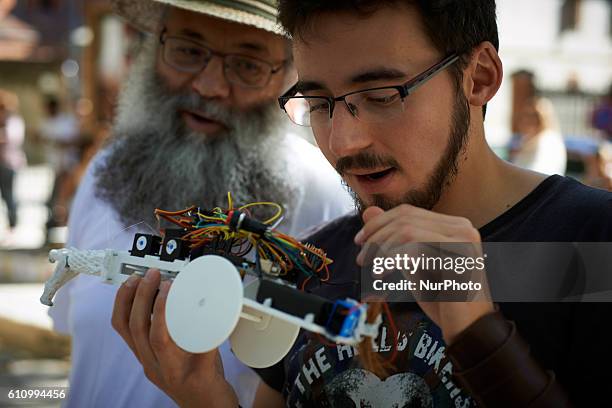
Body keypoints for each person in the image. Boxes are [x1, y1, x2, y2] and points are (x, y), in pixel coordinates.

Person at [111, 1, 612, 407]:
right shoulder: (316, 263)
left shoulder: (593, 246)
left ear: (478, 77)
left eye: (380, 94)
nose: (345, 141)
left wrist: (480, 335)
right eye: (321, 103)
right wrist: (203, 397)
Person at [47, 1, 353, 407]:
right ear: (155, 48)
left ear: (290, 75)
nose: (209, 86)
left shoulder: (322, 197)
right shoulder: (108, 170)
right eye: (189, 51)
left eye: (247, 64)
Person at [38, 96, 81, 229]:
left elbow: (75, 140)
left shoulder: (67, 121)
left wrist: (62, 143)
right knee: (57, 197)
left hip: (68, 165)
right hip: (55, 166)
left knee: (65, 197)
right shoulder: (45, 123)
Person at [510, 96, 567, 175]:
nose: (526, 120)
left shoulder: (548, 140)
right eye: (524, 115)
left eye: (533, 116)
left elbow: (539, 172)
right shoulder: (527, 139)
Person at [0, 90, 25, 236]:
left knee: (9, 195)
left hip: (9, 163)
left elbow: (12, 140)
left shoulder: (14, 122)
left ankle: (13, 226)